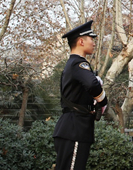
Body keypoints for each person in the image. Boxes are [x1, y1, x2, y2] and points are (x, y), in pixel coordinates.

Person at [53, 20, 108, 170]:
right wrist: (103, 102)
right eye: (91, 39)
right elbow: (92, 85)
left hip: (73, 127)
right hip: (75, 129)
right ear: (81, 41)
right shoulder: (78, 63)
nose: (94, 42)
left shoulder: (74, 64)